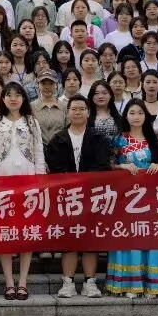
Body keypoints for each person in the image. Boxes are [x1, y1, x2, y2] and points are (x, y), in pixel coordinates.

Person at [45, 95, 111, 299]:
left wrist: (85, 182)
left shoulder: (98, 138)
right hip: (67, 199)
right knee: (69, 240)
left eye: (82, 109)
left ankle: (90, 282)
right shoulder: (58, 139)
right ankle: (68, 282)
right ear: (67, 112)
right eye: (74, 109)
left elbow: (103, 166)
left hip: (92, 197)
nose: (78, 112)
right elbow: (55, 169)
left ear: (88, 112)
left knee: (90, 241)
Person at [105, 101, 158, 298]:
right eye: (132, 113)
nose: (136, 116)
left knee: (150, 236)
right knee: (128, 236)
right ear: (126, 116)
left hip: (150, 196)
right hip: (126, 197)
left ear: (146, 116)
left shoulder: (155, 139)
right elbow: (107, 165)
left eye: (140, 113)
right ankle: (128, 283)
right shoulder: (118, 140)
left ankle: (153, 284)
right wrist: (121, 167)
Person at [0, 82, 46, 301]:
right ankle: (9, 282)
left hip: (28, 182)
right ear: (3, 98)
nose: (13, 98)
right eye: (9, 95)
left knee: (26, 233)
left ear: (23, 98)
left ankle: (23, 282)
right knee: (6, 233)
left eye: (17, 95)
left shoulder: (31, 122)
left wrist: (40, 179)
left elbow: (39, 152)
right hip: (1, 184)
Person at [31, 70, 66, 144]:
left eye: (51, 83)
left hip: (59, 147)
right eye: (43, 83)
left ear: (56, 85)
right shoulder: (31, 107)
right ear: (38, 85)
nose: (47, 87)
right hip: (38, 147)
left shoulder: (64, 106)